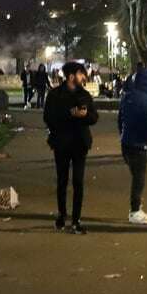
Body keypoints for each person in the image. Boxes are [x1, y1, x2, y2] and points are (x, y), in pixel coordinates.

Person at [43, 61, 98, 234]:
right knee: (62, 180)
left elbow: (94, 117)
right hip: (61, 142)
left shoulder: (84, 95)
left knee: (78, 182)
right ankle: (61, 215)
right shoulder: (55, 95)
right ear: (72, 76)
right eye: (81, 74)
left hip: (80, 143)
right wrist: (69, 114)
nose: (84, 77)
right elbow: (48, 117)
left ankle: (76, 219)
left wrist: (85, 115)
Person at [119, 67, 147, 225]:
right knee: (139, 178)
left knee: (136, 176)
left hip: (126, 142)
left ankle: (136, 207)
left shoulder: (127, 97)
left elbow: (120, 119)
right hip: (139, 144)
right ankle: (135, 210)